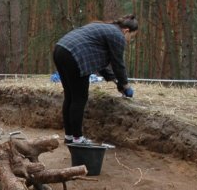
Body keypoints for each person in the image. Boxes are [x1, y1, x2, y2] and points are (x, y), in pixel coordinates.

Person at [51, 16, 138, 144]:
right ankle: (78, 138)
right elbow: (118, 64)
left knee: (70, 97)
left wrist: (115, 81)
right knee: (79, 98)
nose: (130, 40)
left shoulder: (104, 28)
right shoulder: (118, 36)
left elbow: (101, 62)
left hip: (60, 49)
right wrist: (125, 86)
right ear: (126, 31)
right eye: (132, 36)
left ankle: (69, 136)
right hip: (76, 55)